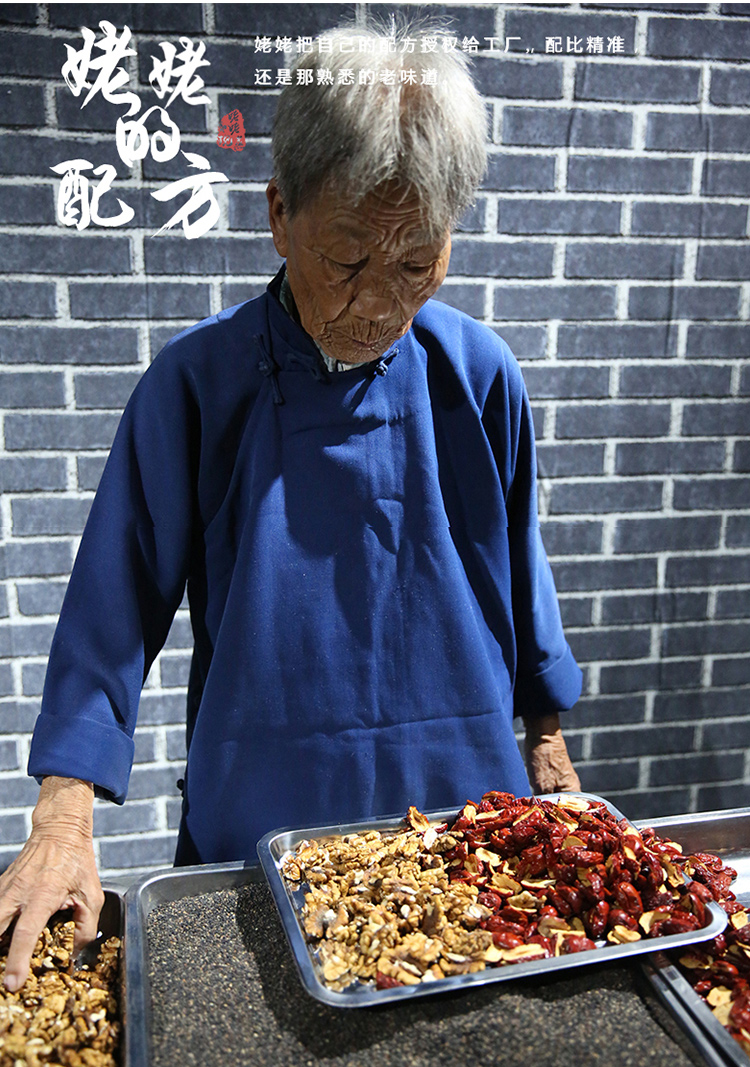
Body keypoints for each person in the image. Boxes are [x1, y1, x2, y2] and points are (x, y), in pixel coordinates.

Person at [0, 23, 582, 991]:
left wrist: (550, 742)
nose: (379, 304)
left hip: (467, 832)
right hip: (257, 841)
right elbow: (112, 608)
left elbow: (519, 563)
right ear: (279, 215)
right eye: (348, 259)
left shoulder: (479, 375)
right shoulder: (197, 385)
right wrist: (63, 815)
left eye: (417, 263)